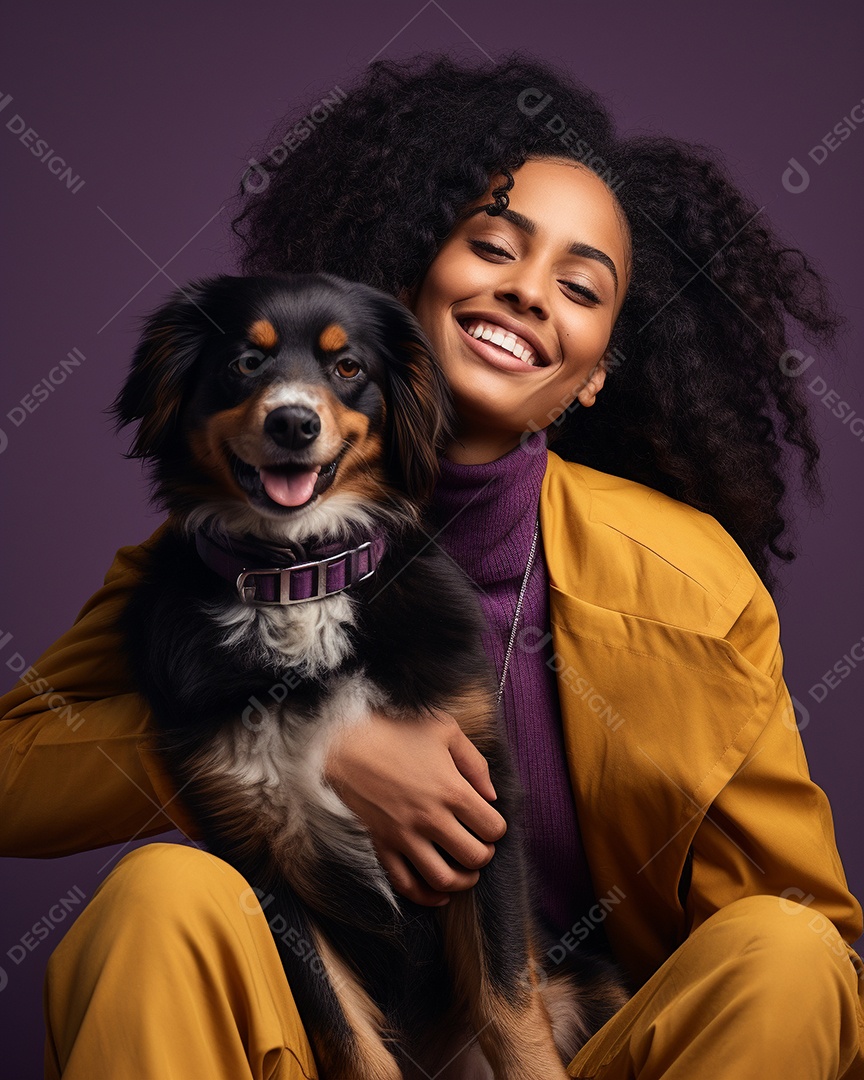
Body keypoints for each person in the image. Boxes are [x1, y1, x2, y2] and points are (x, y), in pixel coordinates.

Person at [1, 50, 862, 1079]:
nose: (527, 292)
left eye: (580, 288)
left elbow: (802, 932)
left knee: (789, 951)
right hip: (312, 1049)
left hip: (575, 1050)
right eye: (493, 245)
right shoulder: (219, 545)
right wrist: (295, 745)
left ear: (596, 375)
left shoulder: (694, 582)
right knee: (157, 896)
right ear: (410, 271)